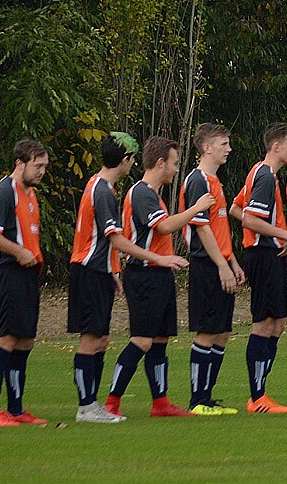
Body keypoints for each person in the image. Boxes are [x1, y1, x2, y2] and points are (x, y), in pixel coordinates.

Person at [69, 133, 185, 424]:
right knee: (97, 340)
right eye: (131, 159)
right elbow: (117, 239)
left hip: (103, 271)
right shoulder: (104, 191)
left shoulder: (105, 188)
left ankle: (143, 402)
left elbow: (105, 240)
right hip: (96, 271)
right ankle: (91, 406)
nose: (133, 164)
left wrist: (113, 271)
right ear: (125, 160)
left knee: (104, 339)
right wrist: (159, 258)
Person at [105, 137, 212, 419]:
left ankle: (161, 403)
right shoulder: (141, 193)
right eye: (174, 163)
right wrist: (195, 208)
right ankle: (111, 403)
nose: (176, 169)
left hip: (160, 274)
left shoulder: (154, 194)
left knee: (160, 339)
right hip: (144, 275)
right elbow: (163, 227)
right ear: (161, 163)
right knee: (142, 340)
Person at [0, 140, 50, 427]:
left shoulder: (30, 194)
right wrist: (18, 251)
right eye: (37, 166)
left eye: (44, 166)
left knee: (25, 341)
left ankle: (16, 410)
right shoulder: (5, 191)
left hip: (26, 276)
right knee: (5, 339)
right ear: (20, 163)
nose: (42, 171)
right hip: (6, 272)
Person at [231, 122, 287, 413]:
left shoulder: (262, 173)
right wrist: (282, 234)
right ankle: (257, 397)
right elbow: (249, 219)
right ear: (277, 146)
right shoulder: (265, 177)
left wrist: (275, 235)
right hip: (261, 255)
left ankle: (260, 393)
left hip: (269, 254)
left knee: (277, 322)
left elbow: (235, 208)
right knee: (264, 323)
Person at [180, 123, 244, 415]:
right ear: (207, 148)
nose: (229, 149)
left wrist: (232, 262)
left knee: (222, 332)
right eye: (223, 144)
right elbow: (202, 228)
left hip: (221, 262)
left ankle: (207, 397)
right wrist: (221, 265)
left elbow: (219, 229)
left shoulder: (215, 181)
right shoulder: (198, 181)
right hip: (207, 265)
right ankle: (197, 400)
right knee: (207, 332)